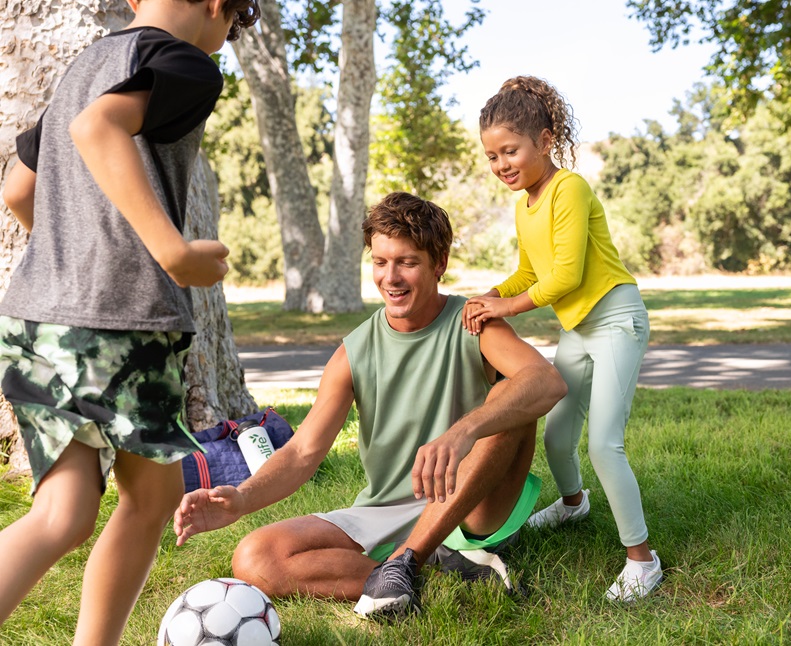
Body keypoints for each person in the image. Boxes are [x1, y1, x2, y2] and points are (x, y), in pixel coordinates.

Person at [173, 191, 567, 621]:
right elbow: (303, 452)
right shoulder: (354, 352)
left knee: (510, 395)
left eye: (407, 262)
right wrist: (240, 499)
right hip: (386, 509)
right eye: (380, 262)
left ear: (440, 263)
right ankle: (433, 576)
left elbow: (545, 381)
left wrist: (462, 432)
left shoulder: (472, 324)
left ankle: (409, 562)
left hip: (468, 503)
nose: (391, 278)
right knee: (256, 557)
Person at [0, 1, 260, 643]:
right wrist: (171, 252)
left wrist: (76, 263)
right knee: (148, 501)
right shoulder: (185, 63)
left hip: (35, 320)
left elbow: (17, 190)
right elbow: (99, 128)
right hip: (125, 326)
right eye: (233, 25)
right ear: (217, 7)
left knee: (62, 515)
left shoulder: (82, 65)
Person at [463, 75, 661, 602]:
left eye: (511, 150)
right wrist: (488, 296)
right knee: (556, 434)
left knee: (604, 443)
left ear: (545, 141)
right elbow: (530, 272)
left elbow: (567, 276)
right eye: (492, 156)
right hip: (579, 328)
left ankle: (642, 560)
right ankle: (575, 505)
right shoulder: (523, 205)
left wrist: (506, 306)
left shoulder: (569, 188)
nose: (502, 164)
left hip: (617, 319)